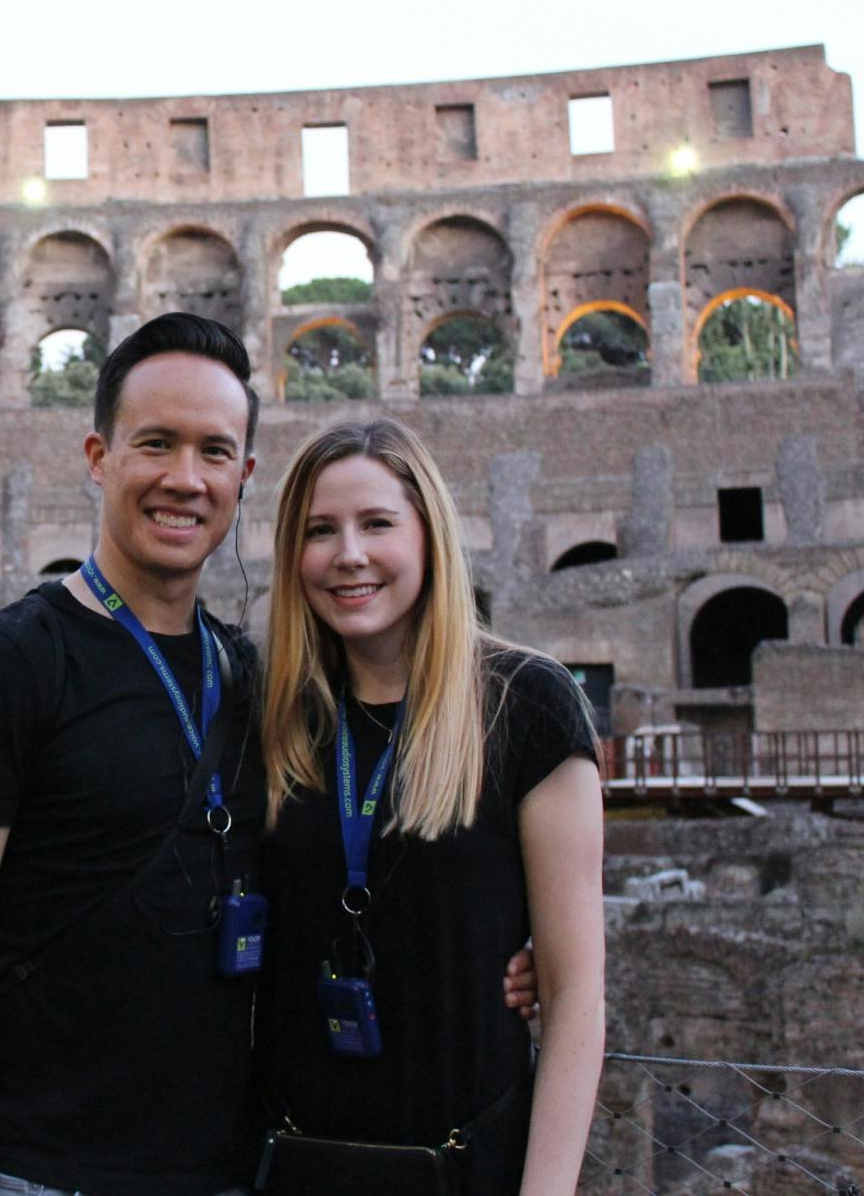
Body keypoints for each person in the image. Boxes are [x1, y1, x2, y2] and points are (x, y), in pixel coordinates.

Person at [0, 313, 537, 1196]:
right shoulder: (11, 667)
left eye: (213, 452)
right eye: (156, 443)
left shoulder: (255, 675)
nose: (184, 479)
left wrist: (516, 941)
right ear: (99, 455)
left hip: (228, 1170)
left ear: (245, 476)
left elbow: (364, 841)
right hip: (33, 1173)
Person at [252, 418, 606, 1195]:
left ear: (428, 534)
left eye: (377, 523)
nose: (349, 553)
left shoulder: (527, 704)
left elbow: (577, 989)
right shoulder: (275, 715)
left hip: (466, 1163)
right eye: (320, 530)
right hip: (294, 1165)